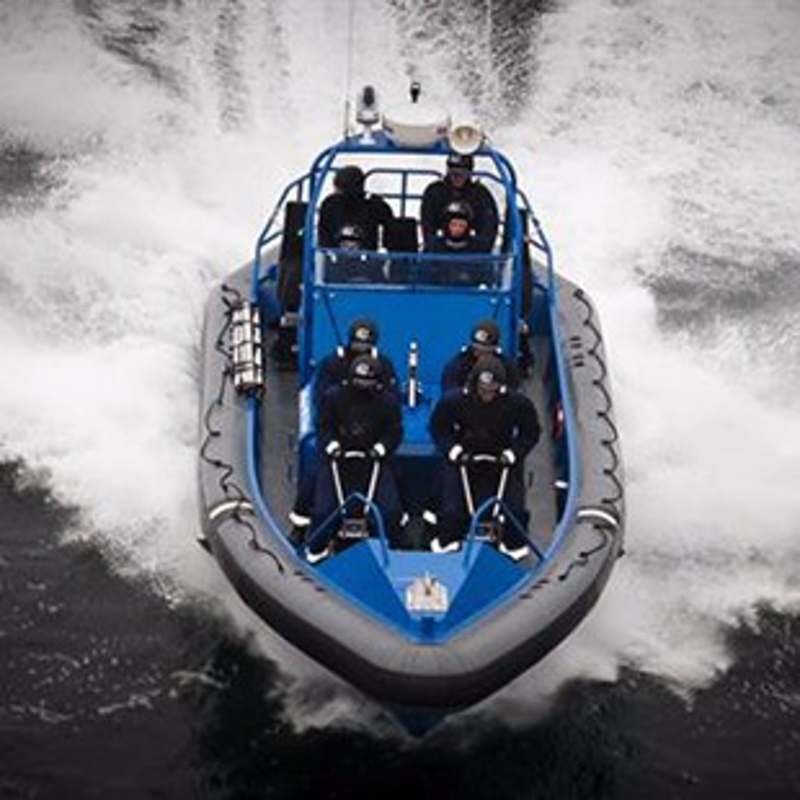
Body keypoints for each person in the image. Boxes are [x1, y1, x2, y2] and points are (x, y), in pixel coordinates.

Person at [288, 318, 399, 541]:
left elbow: (393, 425)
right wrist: (332, 444)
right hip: (338, 443)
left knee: (391, 499)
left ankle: (394, 534)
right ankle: (303, 525)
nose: (361, 350)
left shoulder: (383, 377)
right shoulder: (333, 374)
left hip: (372, 448)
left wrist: (381, 447)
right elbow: (323, 414)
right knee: (315, 479)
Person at [428, 354, 541, 561]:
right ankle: (448, 542)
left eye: (492, 390)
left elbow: (530, 432)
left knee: (514, 510)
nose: (487, 395)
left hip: (502, 461)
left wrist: (514, 453)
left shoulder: (517, 403)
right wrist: (453, 451)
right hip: (464, 459)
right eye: (483, 390)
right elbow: (439, 428)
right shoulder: (454, 401)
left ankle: (512, 547)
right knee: (452, 509)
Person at [305, 354, 404, 564]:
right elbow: (323, 426)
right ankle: (316, 551)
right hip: (338, 460)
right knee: (323, 510)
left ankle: (392, 550)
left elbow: (393, 432)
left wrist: (381, 448)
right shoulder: (333, 397)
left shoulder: (387, 402)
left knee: (390, 510)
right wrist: (332, 445)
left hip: (373, 461)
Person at [420, 153, 499, 253]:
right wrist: (434, 246)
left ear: (469, 173)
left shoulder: (480, 195)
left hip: (472, 251)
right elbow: (428, 227)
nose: (457, 177)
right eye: (453, 173)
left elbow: (488, 228)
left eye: (462, 173)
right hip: (441, 249)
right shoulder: (435, 192)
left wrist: (480, 249)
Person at [317, 165, 393, 251]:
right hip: (335, 256)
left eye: (340, 189)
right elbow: (323, 235)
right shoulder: (330, 204)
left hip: (367, 256)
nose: (338, 192)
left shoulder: (375, 205)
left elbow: (391, 233)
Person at [441, 318, 521, 394]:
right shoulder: (456, 366)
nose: (480, 354)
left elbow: (514, 393)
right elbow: (449, 396)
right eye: (477, 350)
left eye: (487, 352)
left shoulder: (506, 366)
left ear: (495, 349)